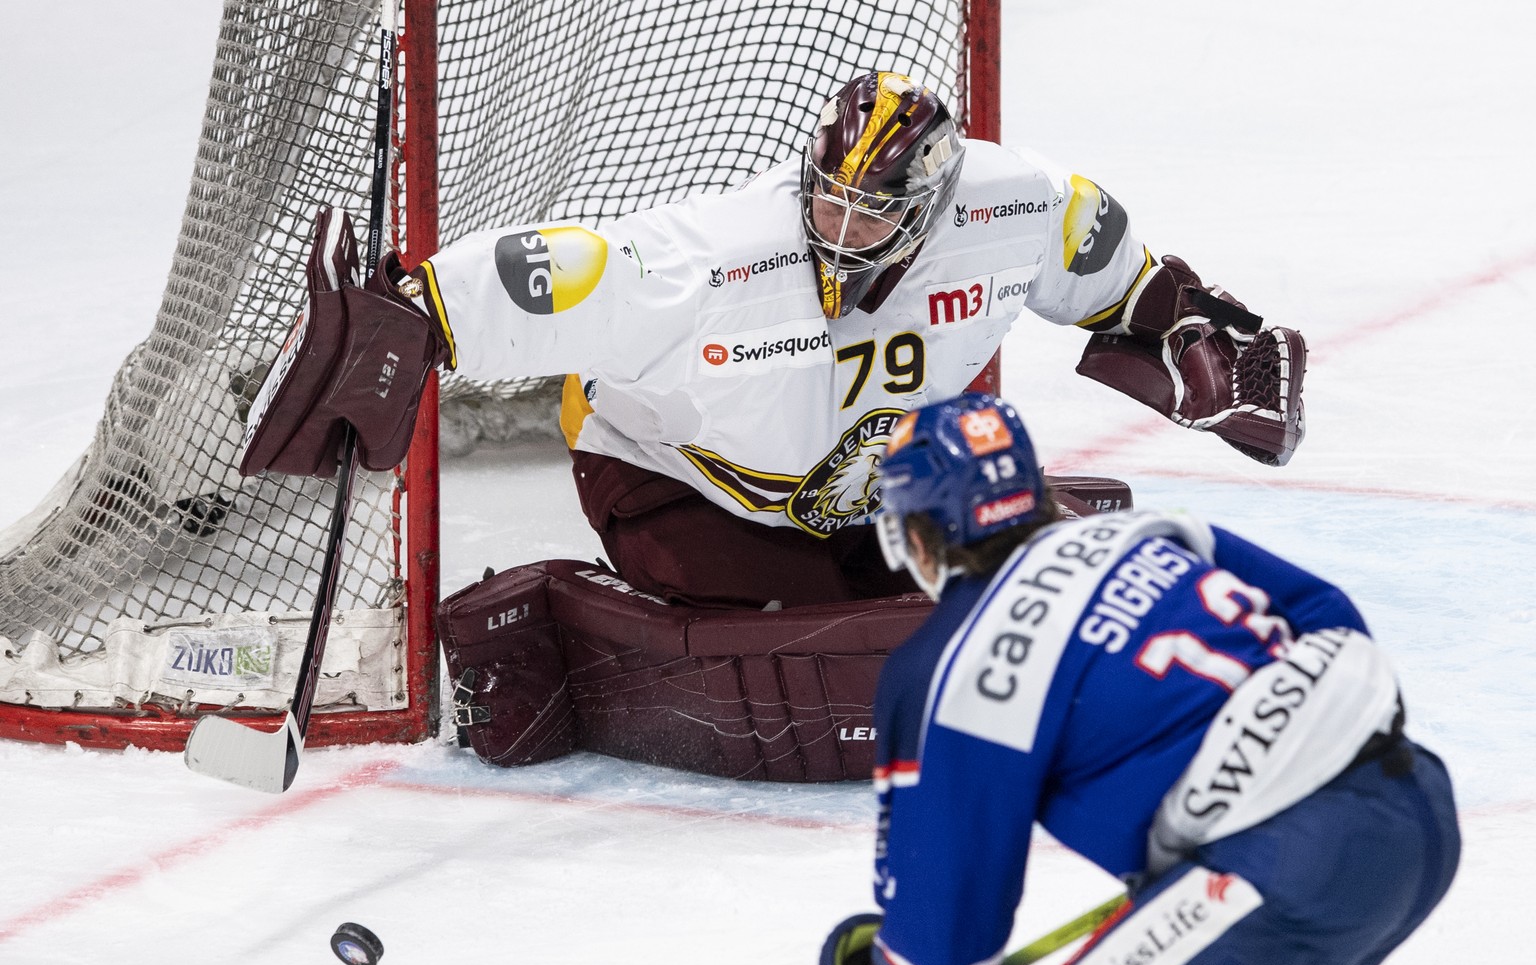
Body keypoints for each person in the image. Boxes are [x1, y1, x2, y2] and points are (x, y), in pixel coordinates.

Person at [238, 70, 1307, 612]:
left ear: (932, 204)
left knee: (997, 583)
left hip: (867, 482)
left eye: (869, 217)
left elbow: (1116, 274)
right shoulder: (714, 260)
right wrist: (420, 313)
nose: (838, 234)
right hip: (671, 483)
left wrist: (1190, 334)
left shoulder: (1015, 205)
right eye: (827, 205)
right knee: (833, 620)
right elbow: (565, 269)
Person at [818, 393, 1459, 965]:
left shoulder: (944, 665)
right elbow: (1328, 614)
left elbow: (945, 941)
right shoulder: (1147, 531)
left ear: (921, 532)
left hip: (1284, 874)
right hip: (1416, 805)